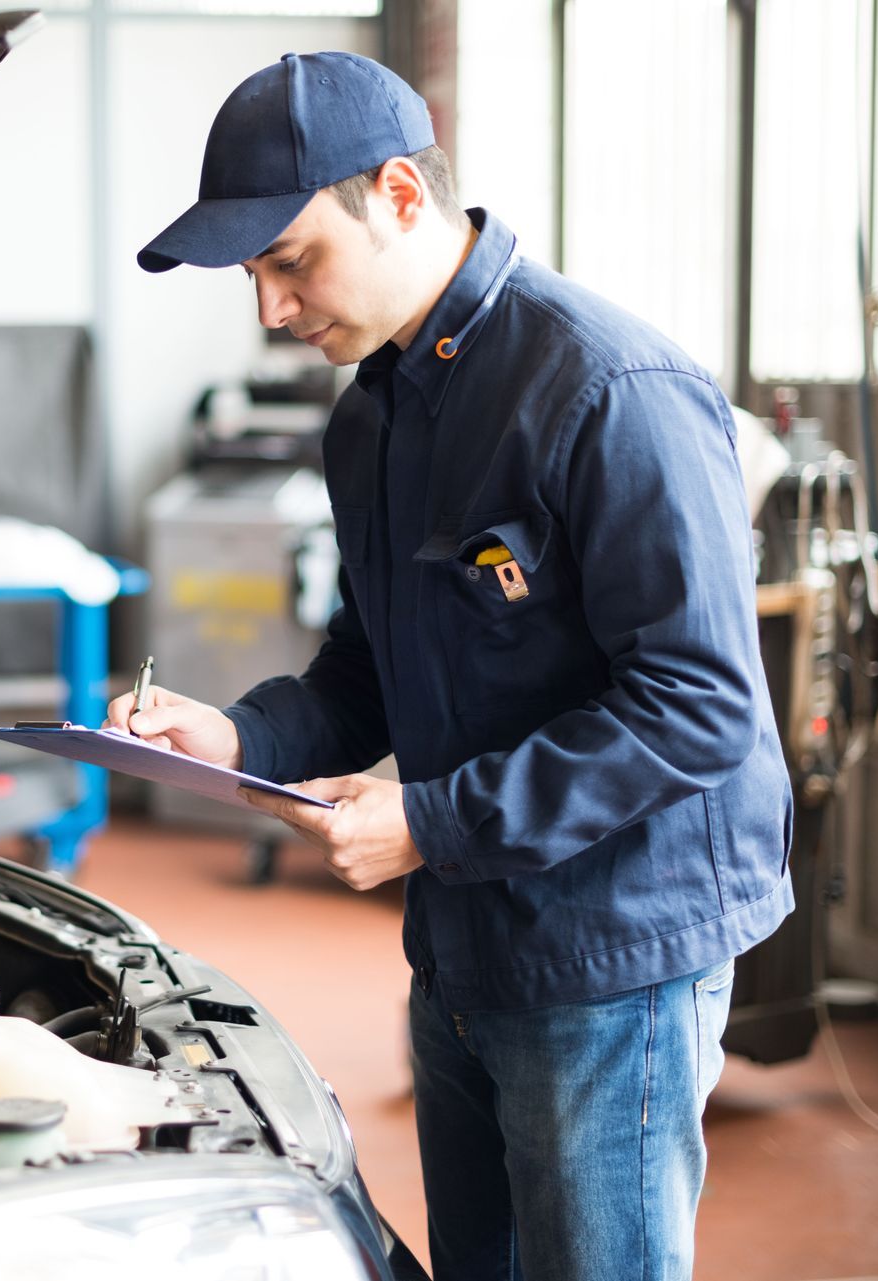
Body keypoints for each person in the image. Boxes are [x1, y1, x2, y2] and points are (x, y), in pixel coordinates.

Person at [105, 51, 794, 1281]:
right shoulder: (371, 416)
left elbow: (702, 705)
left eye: (290, 259)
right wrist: (240, 739)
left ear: (401, 196)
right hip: (464, 942)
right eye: (254, 275)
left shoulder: (607, 388)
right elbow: (371, 665)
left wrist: (430, 822)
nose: (270, 309)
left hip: (612, 953)